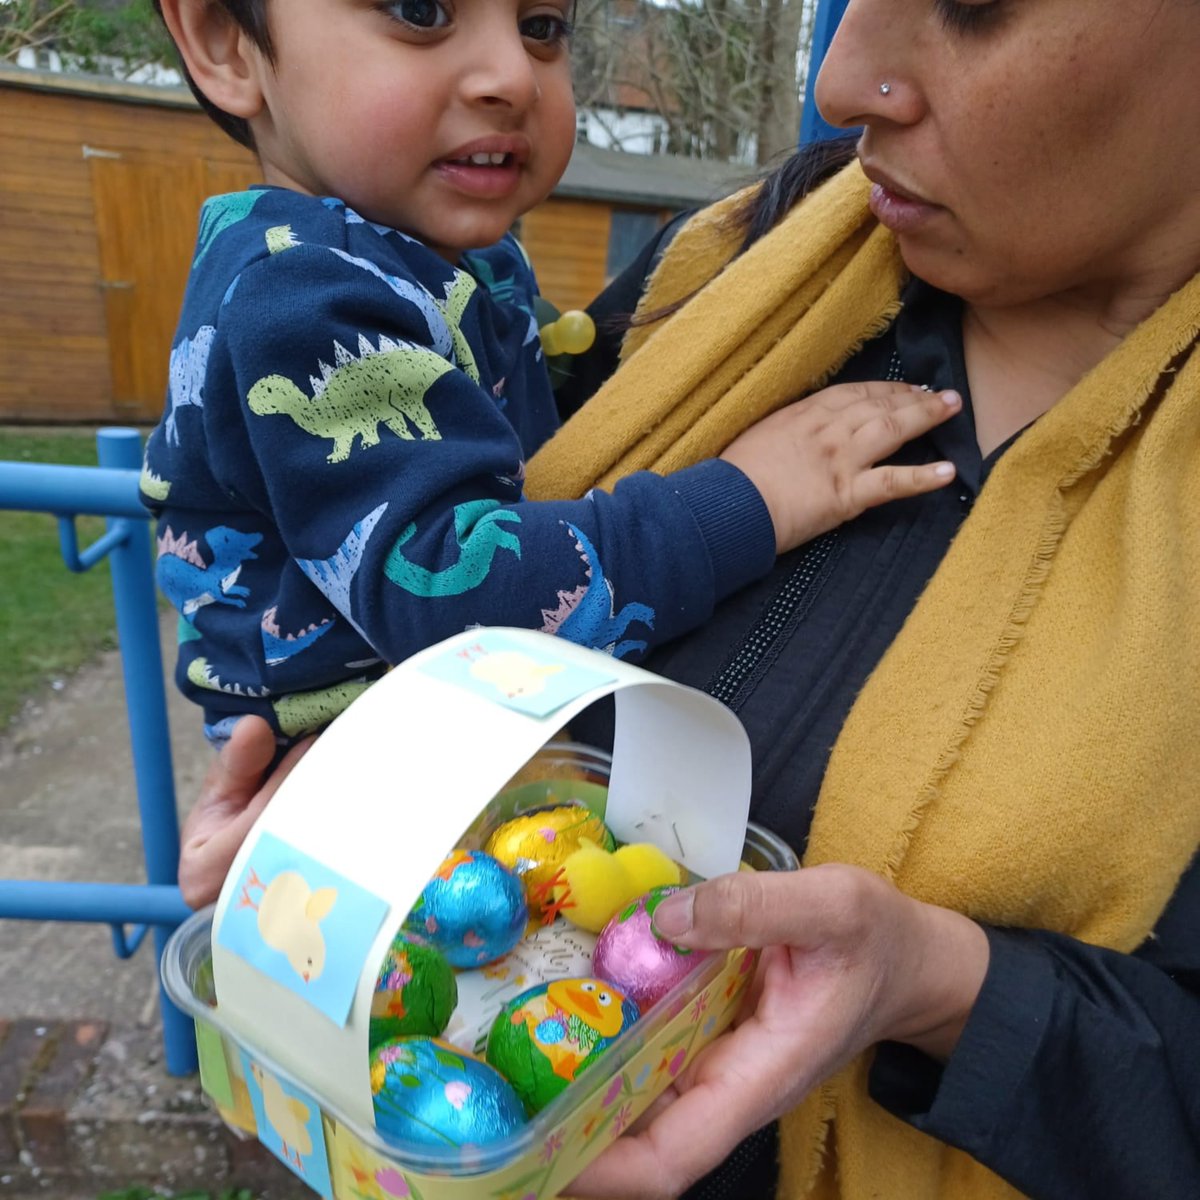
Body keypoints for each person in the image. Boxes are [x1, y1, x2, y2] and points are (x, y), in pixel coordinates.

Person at [179, 0, 1200, 1196]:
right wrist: (314, 825)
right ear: (219, 40)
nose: (838, 80)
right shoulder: (725, 275)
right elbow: (465, 588)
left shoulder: (455, 261)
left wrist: (942, 984)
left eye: (970, 5)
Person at [142, 0, 957, 752]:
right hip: (367, 770)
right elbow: (459, 613)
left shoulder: (451, 262)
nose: (511, 77)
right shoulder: (299, 295)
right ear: (226, 44)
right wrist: (748, 500)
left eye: (541, 25)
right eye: (419, 11)